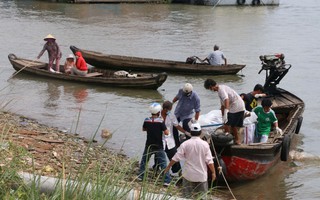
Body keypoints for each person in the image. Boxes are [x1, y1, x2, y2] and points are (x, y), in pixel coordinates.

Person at [164, 122, 216, 199]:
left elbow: (176, 157)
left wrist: (168, 167)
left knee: (186, 197)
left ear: (191, 132)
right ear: (200, 132)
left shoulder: (185, 144)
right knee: (202, 197)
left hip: (188, 175)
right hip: (201, 176)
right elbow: (209, 161)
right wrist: (213, 172)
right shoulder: (205, 145)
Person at [137, 103, 171, 186]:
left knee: (144, 161)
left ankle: (141, 176)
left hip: (148, 144)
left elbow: (143, 129)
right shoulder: (160, 121)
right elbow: (166, 133)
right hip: (158, 145)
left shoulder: (146, 120)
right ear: (159, 112)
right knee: (163, 163)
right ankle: (166, 180)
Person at [204, 79, 245, 145]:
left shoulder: (221, 90)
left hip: (237, 106)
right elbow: (222, 105)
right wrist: (223, 116)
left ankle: (235, 140)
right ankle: (228, 137)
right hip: (233, 107)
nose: (211, 90)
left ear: (211, 86)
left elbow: (226, 100)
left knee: (231, 125)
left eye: (210, 88)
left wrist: (226, 112)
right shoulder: (220, 90)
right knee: (226, 123)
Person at [160, 101, 190, 176]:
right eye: (169, 110)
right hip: (160, 140)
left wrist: (186, 132)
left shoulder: (171, 116)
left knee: (174, 157)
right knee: (159, 157)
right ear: (164, 109)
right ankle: (158, 170)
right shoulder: (157, 115)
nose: (169, 111)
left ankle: (179, 173)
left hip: (170, 140)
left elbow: (177, 126)